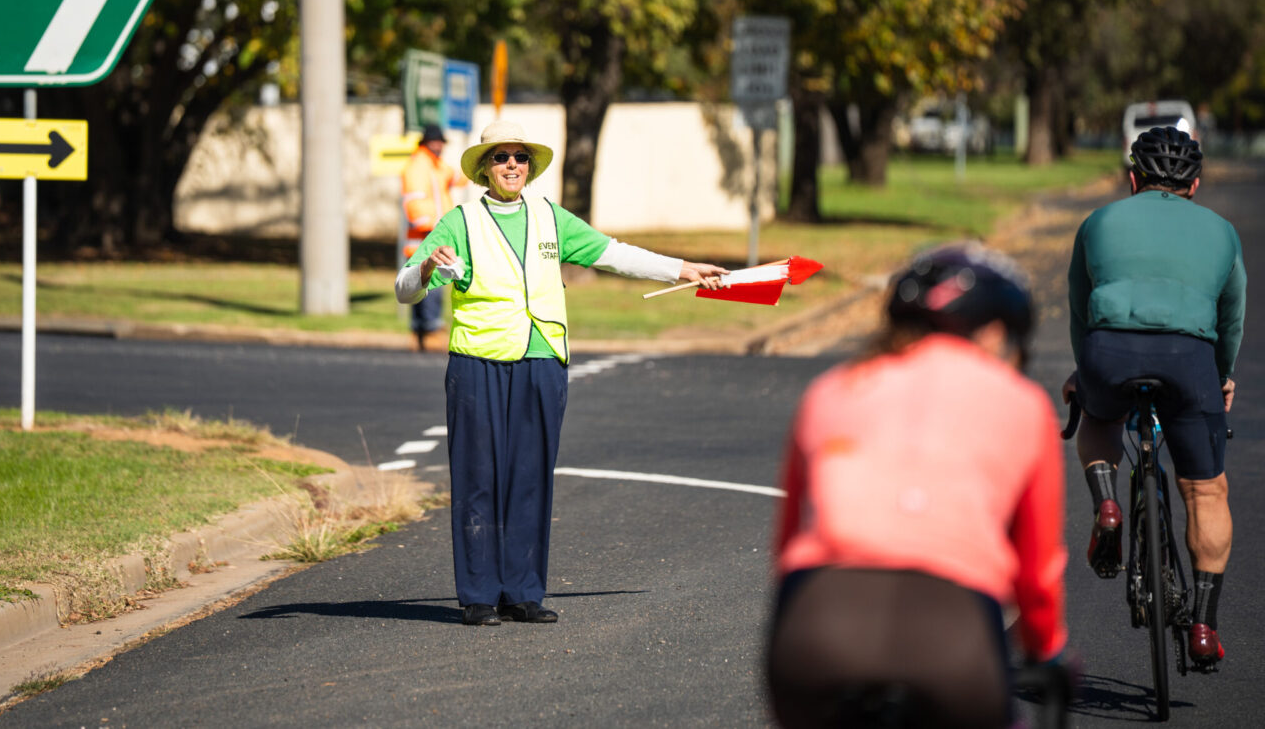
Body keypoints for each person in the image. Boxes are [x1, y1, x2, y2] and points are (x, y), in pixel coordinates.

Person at [394, 118, 729, 626]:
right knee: (478, 478)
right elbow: (405, 289)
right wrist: (425, 270)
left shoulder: (551, 217)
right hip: (478, 361)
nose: (512, 165)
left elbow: (613, 254)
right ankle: (480, 595)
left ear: (529, 167)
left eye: (520, 158)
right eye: (502, 157)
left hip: (543, 358)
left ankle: (524, 591)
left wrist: (684, 269)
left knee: (530, 478)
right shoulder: (458, 222)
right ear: (485, 168)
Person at [767, 244, 1066, 729]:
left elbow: (786, 542)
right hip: (950, 633)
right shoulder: (1023, 403)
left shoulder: (831, 388)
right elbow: (1037, 568)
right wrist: (1046, 648)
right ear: (993, 333)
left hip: (816, 627)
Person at [1064, 125, 1245, 668]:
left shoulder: (1097, 222)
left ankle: (1108, 503)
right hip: (1189, 361)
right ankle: (1205, 627)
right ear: (1194, 185)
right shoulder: (1222, 230)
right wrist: (1223, 374)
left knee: (1098, 415)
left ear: (1132, 178)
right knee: (1207, 492)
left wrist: (1084, 370)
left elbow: (1080, 308)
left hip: (1108, 351)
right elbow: (1230, 318)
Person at [400, 123, 466, 352]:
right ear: (426, 143)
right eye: (435, 142)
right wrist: (430, 228)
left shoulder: (436, 165)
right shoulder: (418, 165)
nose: (439, 146)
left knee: (423, 282)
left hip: (433, 234)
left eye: (441, 142)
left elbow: (458, 177)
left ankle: (421, 331)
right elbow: (414, 200)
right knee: (430, 282)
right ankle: (428, 329)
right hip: (425, 236)